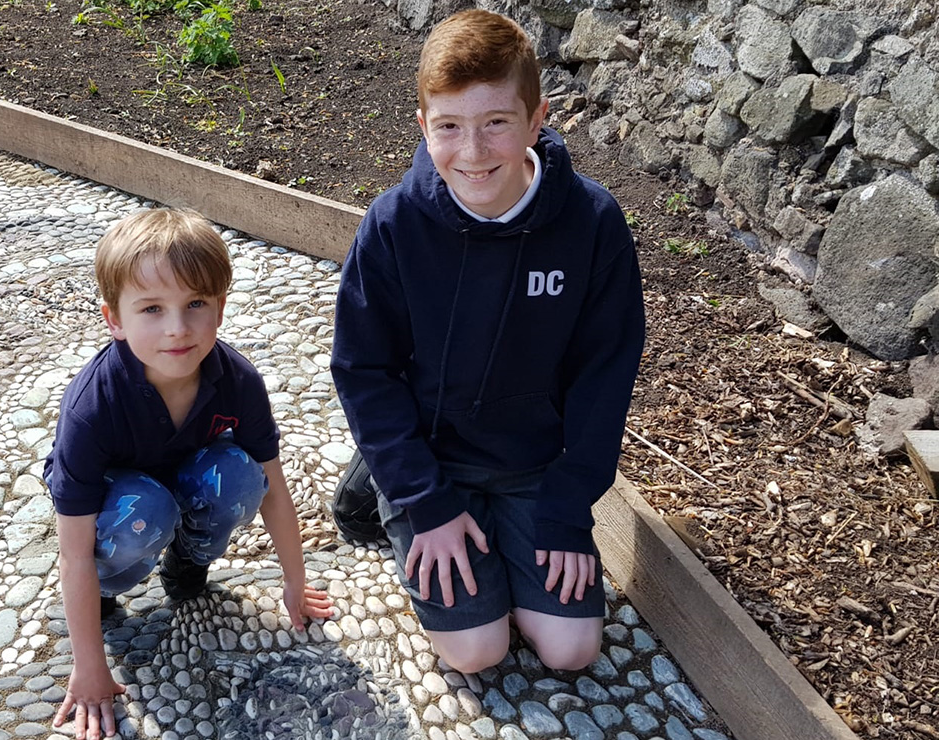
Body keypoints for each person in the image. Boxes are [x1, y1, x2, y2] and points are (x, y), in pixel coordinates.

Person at [330, 9, 645, 675]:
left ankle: (500, 530)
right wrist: (428, 504)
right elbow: (364, 369)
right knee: (478, 650)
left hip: (532, 464)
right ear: (424, 127)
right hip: (434, 459)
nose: (472, 152)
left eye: (496, 122)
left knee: (571, 649)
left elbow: (604, 374)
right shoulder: (391, 226)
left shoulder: (592, 223)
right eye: (449, 126)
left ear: (537, 120)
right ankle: (383, 487)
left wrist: (565, 508)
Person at [45, 208, 333, 740]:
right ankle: (112, 587)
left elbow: (274, 489)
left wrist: (296, 583)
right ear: (115, 319)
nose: (177, 329)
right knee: (144, 512)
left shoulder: (237, 380)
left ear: (219, 308)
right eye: (151, 308)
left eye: (195, 303)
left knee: (241, 476)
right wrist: (89, 667)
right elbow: (72, 548)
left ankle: (187, 562)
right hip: (120, 503)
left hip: (186, 475)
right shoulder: (93, 407)